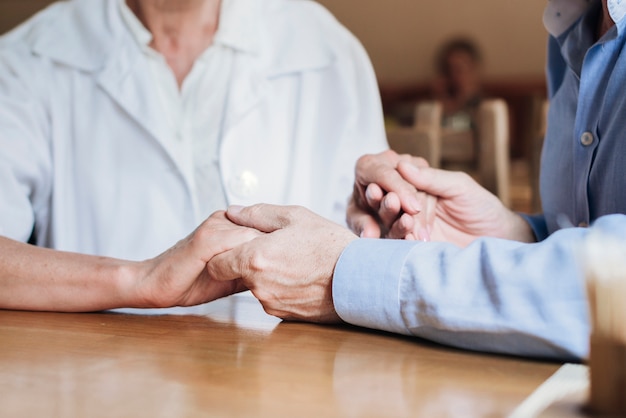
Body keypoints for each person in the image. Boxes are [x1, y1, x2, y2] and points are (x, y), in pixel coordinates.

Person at [207, 0, 626, 361]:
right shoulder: (572, 28)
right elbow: (591, 242)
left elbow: (615, 291)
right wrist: (512, 237)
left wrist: (343, 273)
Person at [0, 0, 387, 311]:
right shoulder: (27, 59)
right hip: (102, 384)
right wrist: (137, 280)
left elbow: (368, 250)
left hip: (290, 389)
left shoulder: (328, 50)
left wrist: (394, 223)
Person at [430, 36, 483, 131]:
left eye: (459, 69)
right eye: (449, 70)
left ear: (474, 69)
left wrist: (465, 99)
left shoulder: (491, 107)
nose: (454, 76)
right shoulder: (438, 104)